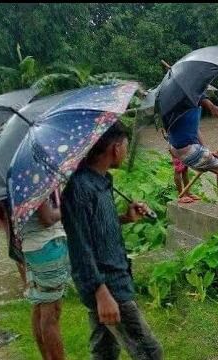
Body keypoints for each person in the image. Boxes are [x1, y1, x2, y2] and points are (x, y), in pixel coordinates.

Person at [60, 122, 162, 360]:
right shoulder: (79, 188)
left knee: (105, 351)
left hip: (113, 275)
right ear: (115, 149)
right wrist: (101, 293)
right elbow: (80, 245)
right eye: (125, 147)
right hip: (107, 284)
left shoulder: (102, 181)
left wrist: (126, 218)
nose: (126, 152)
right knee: (150, 352)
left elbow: (96, 227)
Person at [19, 190, 70, 360]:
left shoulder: (16, 178)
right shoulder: (33, 177)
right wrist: (68, 206)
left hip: (32, 246)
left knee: (40, 307)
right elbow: (47, 218)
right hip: (47, 246)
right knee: (51, 313)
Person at [168, 117, 218, 204]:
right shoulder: (180, 113)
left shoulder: (190, 112)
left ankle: (187, 192)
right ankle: (181, 195)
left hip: (187, 143)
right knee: (178, 169)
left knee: (185, 169)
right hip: (177, 144)